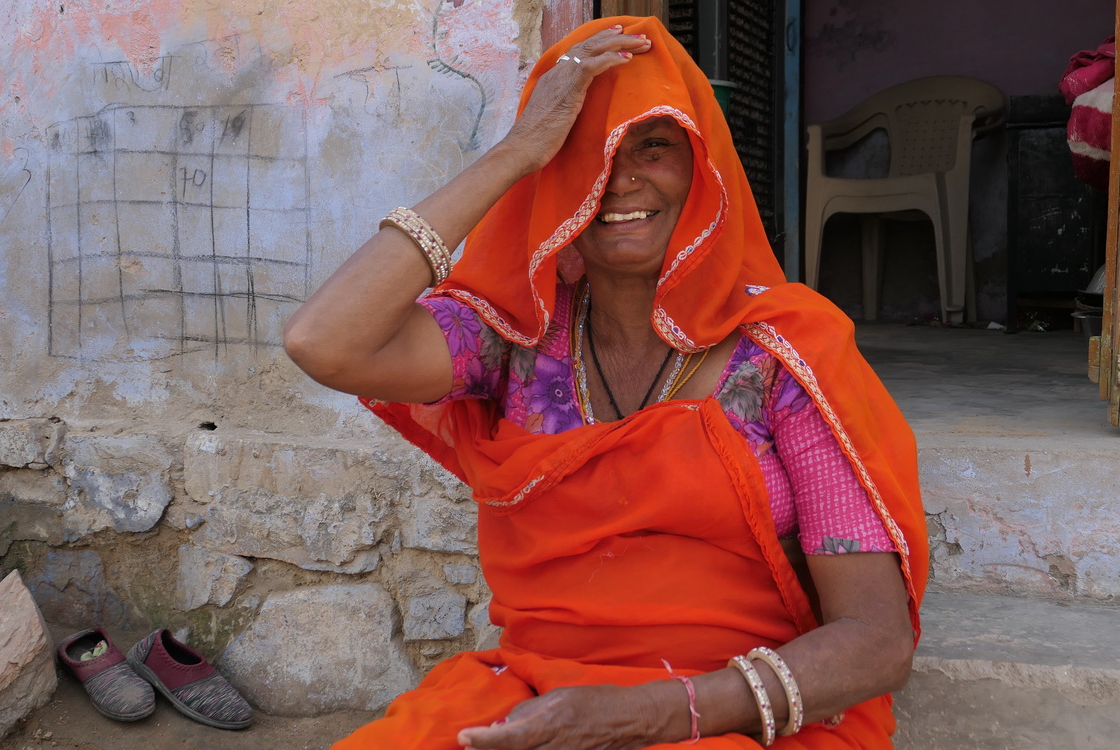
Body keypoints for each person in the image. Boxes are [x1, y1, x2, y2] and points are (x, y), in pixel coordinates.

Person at [285, 15, 927, 750]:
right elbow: (322, 341)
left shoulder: (783, 357)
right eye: (584, 151)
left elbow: (876, 642)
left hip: (733, 712)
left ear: (702, 166)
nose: (617, 179)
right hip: (535, 693)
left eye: (652, 146)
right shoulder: (514, 337)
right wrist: (517, 150)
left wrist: (652, 713)